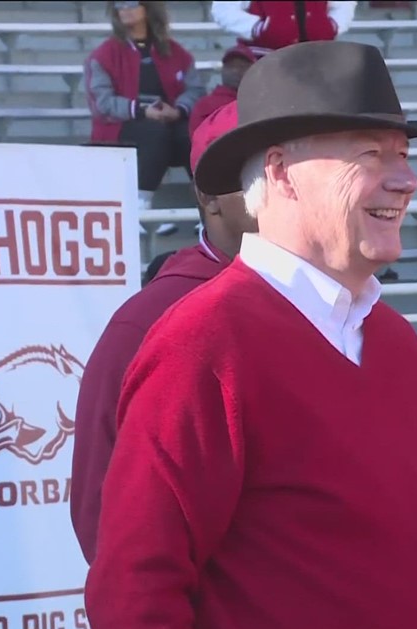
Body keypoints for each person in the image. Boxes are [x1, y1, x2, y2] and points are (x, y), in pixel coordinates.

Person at [88, 40, 417, 629]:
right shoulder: (202, 346)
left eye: (404, 155)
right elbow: (134, 593)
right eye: (372, 154)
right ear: (280, 174)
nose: (407, 180)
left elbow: (395, 552)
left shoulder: (394, 340)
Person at [71, 101, 255, 564]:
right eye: (259, 174)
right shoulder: (148, 320)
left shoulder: (350, 309)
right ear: (208, 196)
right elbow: (104, 518)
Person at [85, 0, 205, 235]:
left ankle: (209, 209)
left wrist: (179, 110)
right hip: (122, 125)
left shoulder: (175, 52)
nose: (124, 8)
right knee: (155, 132)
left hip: (168, 119)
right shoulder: (103, 55)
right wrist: (141, 110)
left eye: (131, 3)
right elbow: (102, 103)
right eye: (119, 5)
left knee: (192, 134)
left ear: (148, 8)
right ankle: (141, 208)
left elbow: (195, 90)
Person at [210, 1, 357, 57]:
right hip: (264, 59)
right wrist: (258, 28)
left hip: (317, 57)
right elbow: (223, 9)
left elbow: (345, 5)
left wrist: (333, 25)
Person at [188, 45, 258, 134]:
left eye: (242, 66)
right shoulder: (205, 106)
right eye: (231, 66)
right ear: (222, 70)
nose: (235, 71)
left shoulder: (261, 103)